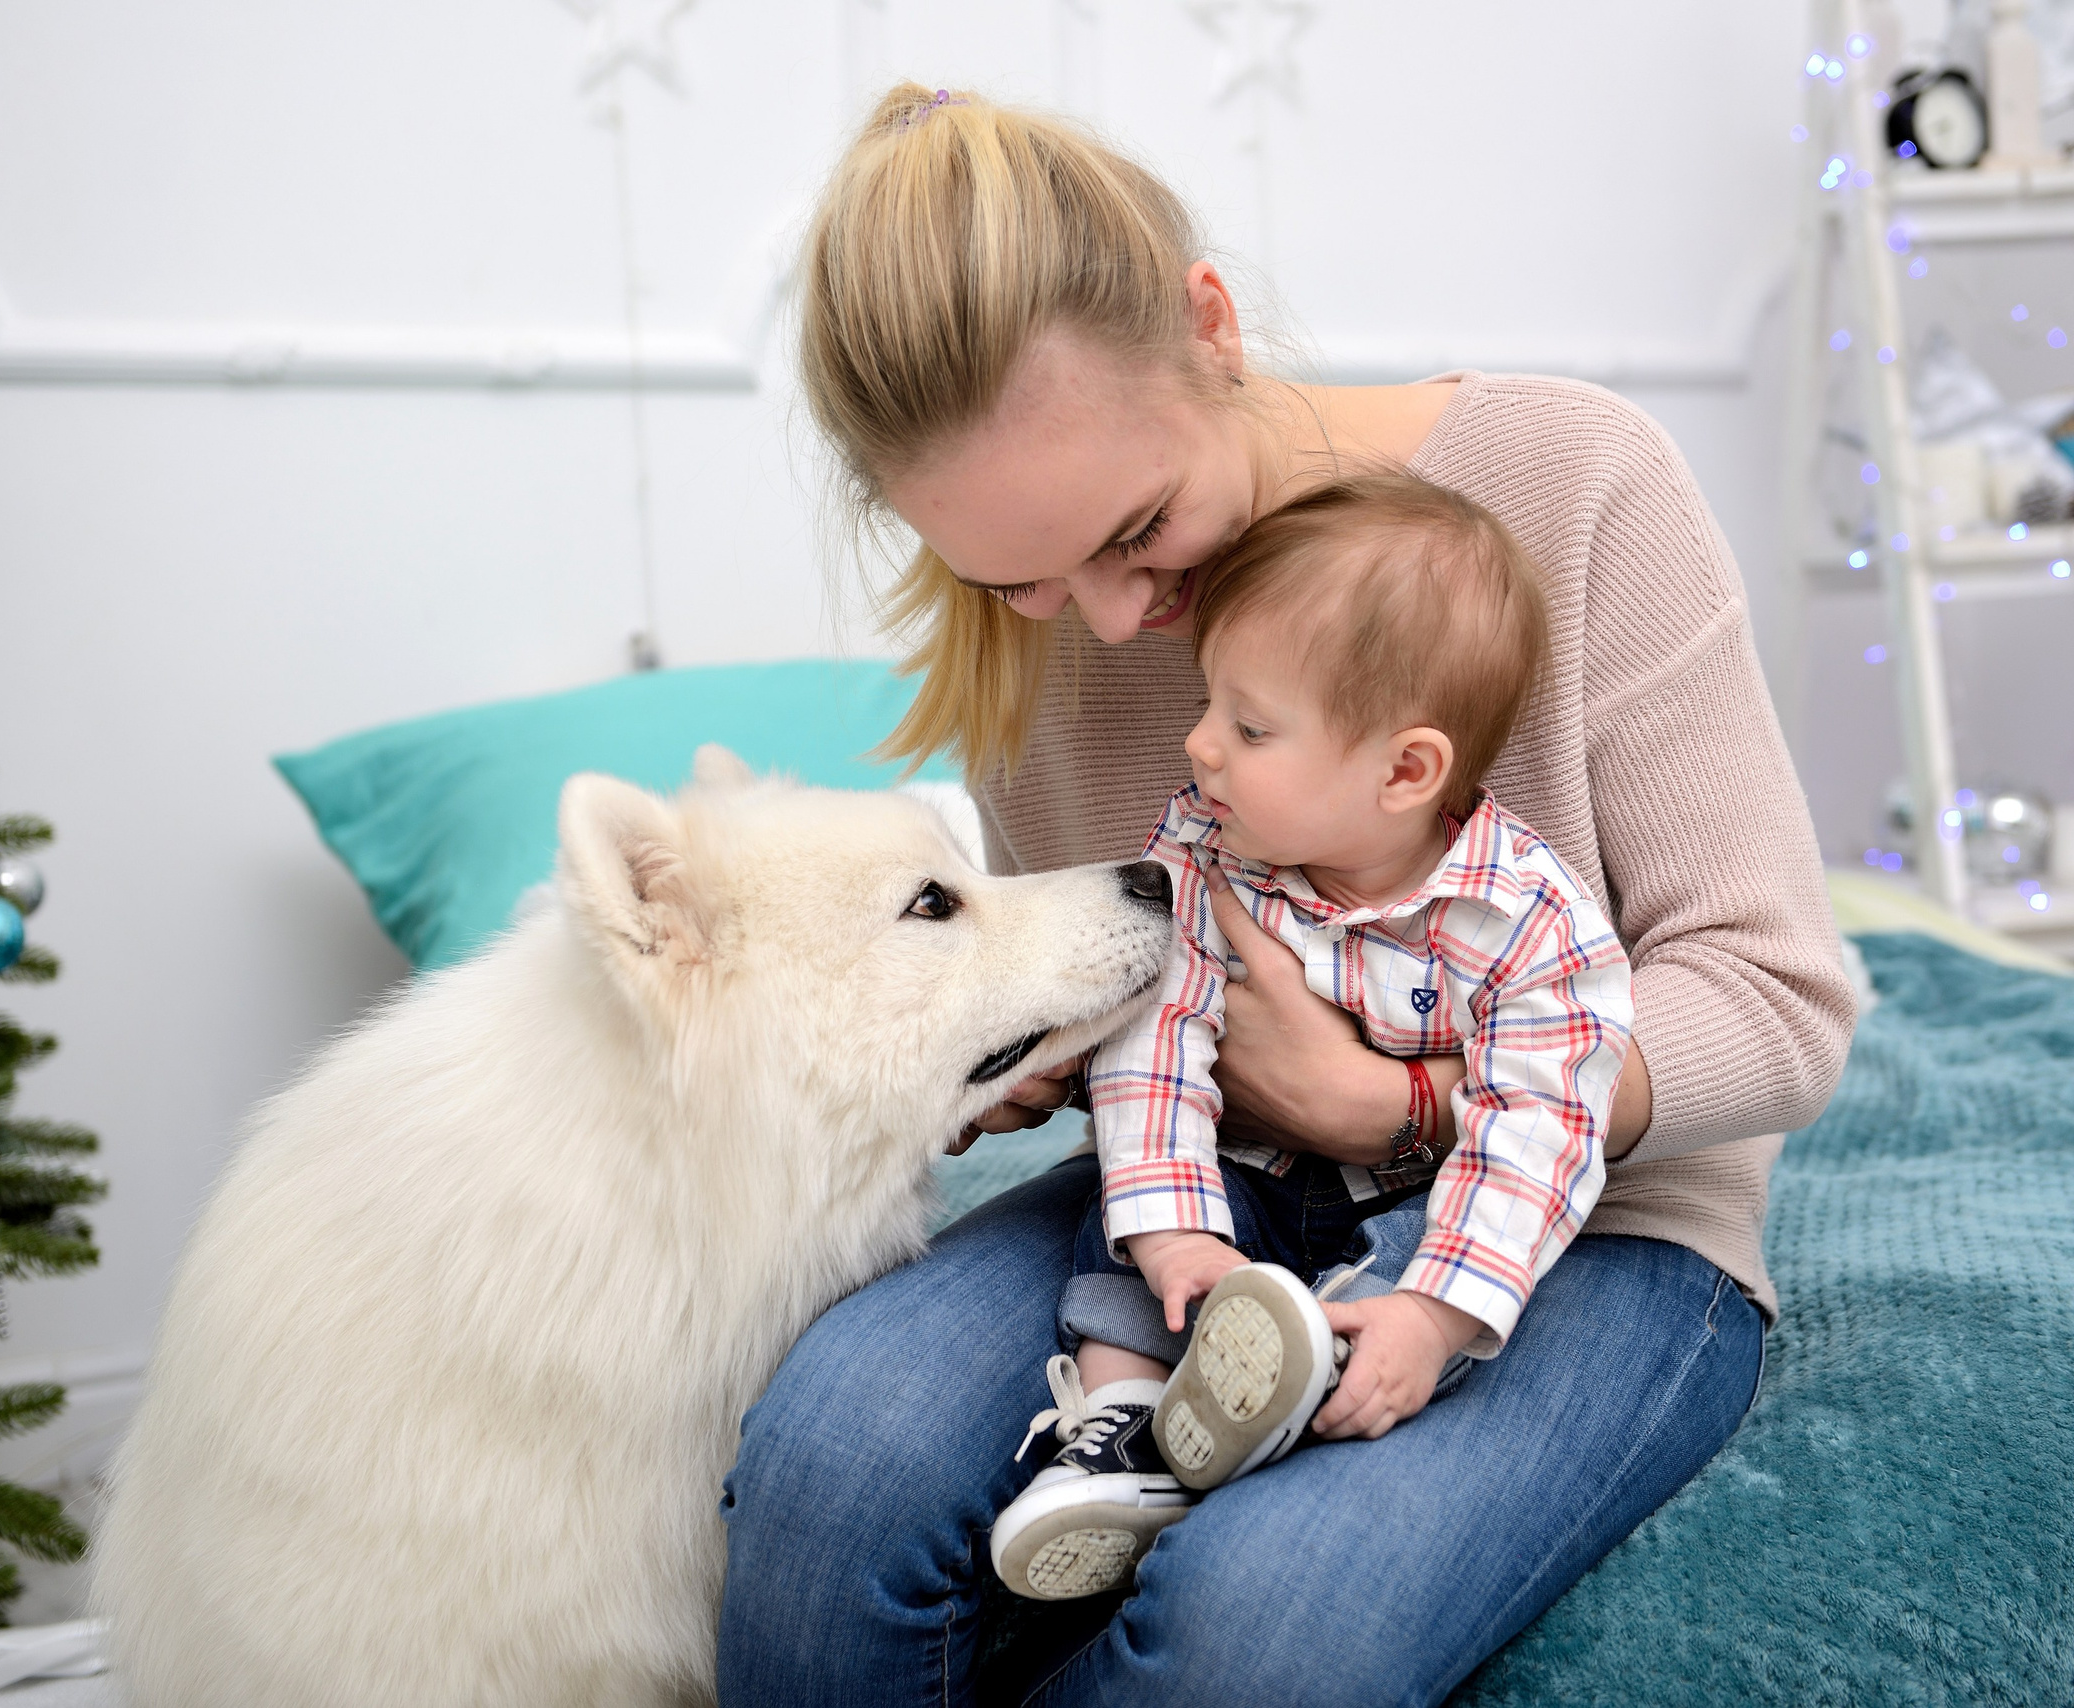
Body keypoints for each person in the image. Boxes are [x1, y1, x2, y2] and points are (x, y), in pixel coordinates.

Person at [719, 81, 1854, 1706]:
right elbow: (1156, 968)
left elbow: (1775, 997)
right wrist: (1036, 1048)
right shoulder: (1042, 621)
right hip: (1206, 1187)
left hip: (1593, 1209)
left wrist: (1406, 1100)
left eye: (1140, 532)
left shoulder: (1574, 483)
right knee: (829, 1467)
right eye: (1020, 579)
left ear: (1211, 322)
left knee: (1267, 1619)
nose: (1109, 623)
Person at [988, 471, 1633, 1604]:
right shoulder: (1201, 848)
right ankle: (1123, 1422)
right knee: (1129, 1220)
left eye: (1248, 726)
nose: (1198, 745)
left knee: (1431, 1247)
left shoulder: (1530, 920)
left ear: (1404, 770)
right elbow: (1156, 1044)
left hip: (1404, 1207)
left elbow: (1539, 1125)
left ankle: (1312, 1380)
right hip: (1253, 1178)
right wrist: (1177, 1232)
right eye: (1207, 706)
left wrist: (1434, 1317)